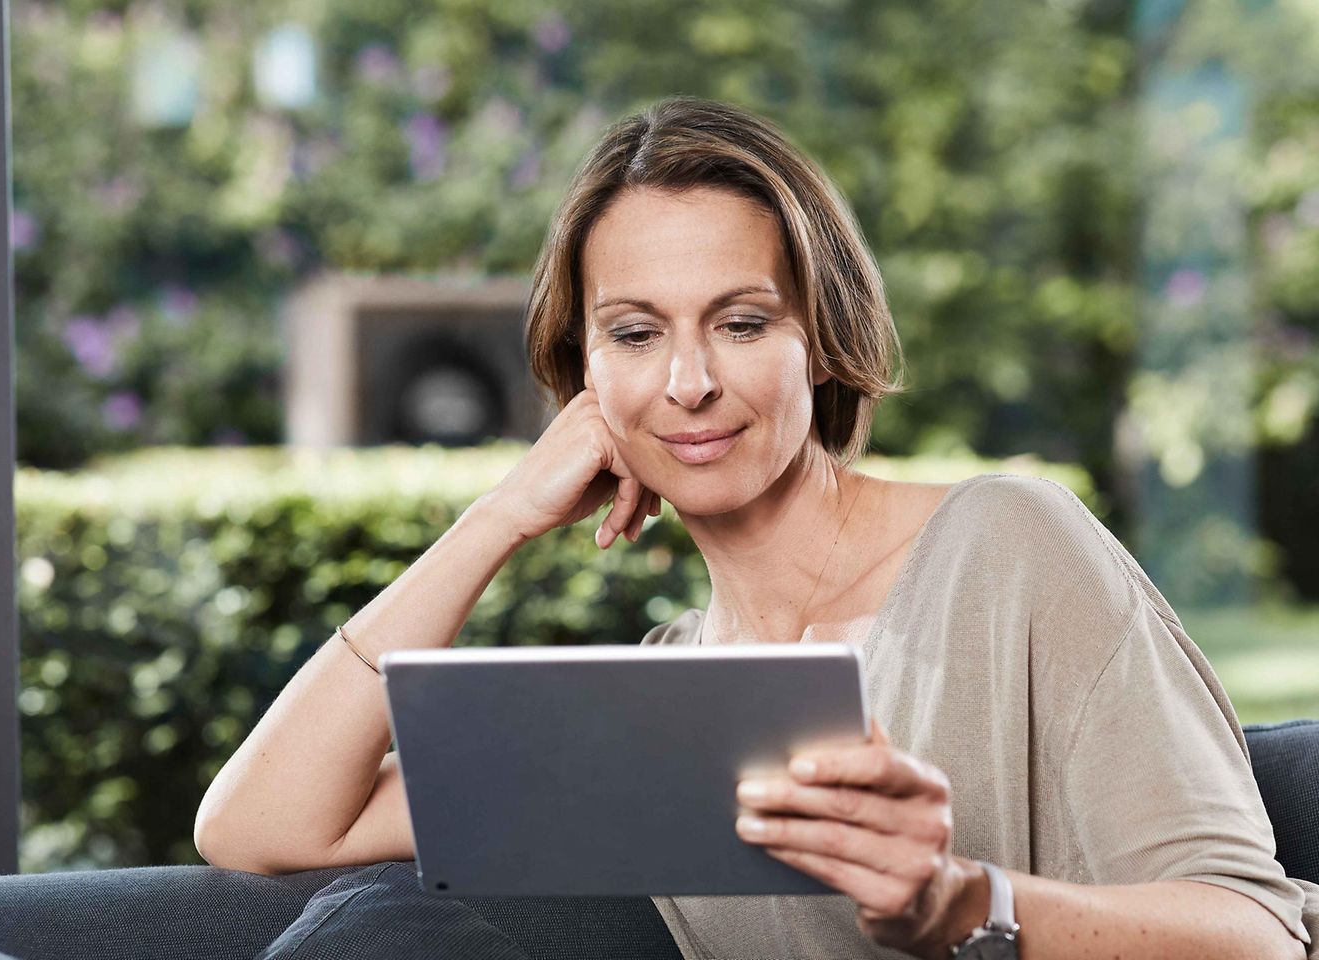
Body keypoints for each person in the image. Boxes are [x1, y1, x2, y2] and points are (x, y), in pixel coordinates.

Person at [195, 96, 1317, 959]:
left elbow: (1254, 934)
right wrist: (495, 520)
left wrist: (962, 903)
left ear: (821, 341)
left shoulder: (1007, 549)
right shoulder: (667, 702)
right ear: (582, 373)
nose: (686, 383)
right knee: (375, 925)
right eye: (633, 335)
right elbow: (260, 827)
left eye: (741, 322)